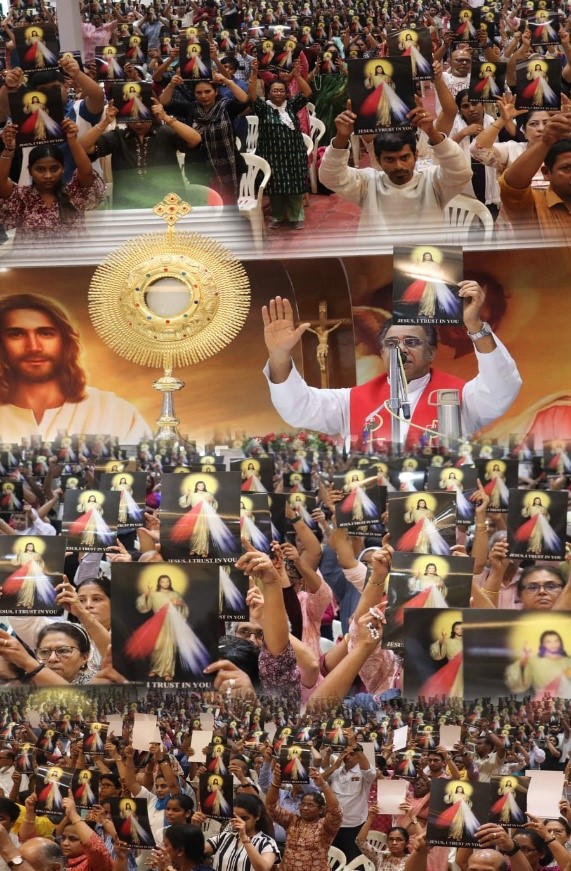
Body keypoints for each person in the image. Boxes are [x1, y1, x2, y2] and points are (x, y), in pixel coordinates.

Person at [262, 293, 521, 451]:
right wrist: (279, 354)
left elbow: (502, 387)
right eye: (392, 344)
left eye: (412, 342)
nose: (401, 350)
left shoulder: (462, 397)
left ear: (432, 352)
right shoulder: (351, 401)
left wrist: (475, 327)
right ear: (382, 353)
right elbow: (298, 408)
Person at [0, 294, 152, 443]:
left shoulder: (113, 412)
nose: (34, 347)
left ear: (66, 342)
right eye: (16, 334)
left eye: (46, 333)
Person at [317, 100, 473, 235]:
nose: (399, 166)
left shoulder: (432, 182)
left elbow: (462, 172)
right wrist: (342, 137)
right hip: (380, 262)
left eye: (404, 158)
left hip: (426, 260)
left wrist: (431, 131)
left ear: (416, 155)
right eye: (390, 160)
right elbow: (330, 177)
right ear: (378, 159)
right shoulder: (368, 183)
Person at [78, 100, 202, 209]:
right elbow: (83, 148)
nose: (138, 124)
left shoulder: (165, 132)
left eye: (143, 118)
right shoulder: (118, 136)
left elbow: (195, 139)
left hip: (169, 207)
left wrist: (166, 117)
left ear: (152, 115)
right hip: (128, 207)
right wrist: (105, 122)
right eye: (133, 118)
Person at [0, 119, 105, 244]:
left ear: (63, 168)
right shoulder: (22, 197)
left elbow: (86, 172)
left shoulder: (73, 193)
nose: (48, 175)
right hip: (32, 261)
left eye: (54, 169)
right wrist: (9, 149)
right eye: (40, 169)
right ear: (30, 171)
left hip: (74, 260)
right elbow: (1, 183)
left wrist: (72, 140)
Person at [159, 71, 249, 203]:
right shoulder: (190, 108)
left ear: (216, 92)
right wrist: (171, 84)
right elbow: (165, 103)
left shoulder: (226, 107)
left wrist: (228, 81)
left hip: (228, 166)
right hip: (198, 168)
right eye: (199, 93)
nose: (203, 96)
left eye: (208, 91)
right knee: (203, 205)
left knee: (229, 205)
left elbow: (244, 100)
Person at [248, 59, 313, 229]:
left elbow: (307, 92)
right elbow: (252, 95)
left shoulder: (291, 105)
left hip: (294, 154)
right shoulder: (263, 108)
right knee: (274, 187)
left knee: (295, 186)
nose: (278, 93)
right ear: (269, 93)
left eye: (281, 90)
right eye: (274, 90)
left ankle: (296, 215)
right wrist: (254, 74)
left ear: (286, 93)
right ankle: (276, 216)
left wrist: (297, 76)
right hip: (271, 155)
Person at [499, 108, 571, 241]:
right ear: (547, 173)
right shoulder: (534, 207)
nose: (541, 129)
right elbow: (512, 185)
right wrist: (546, 141)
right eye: (567, 168)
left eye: (546, 123)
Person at [127, 573, 209, 681]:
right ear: (159, 583)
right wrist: (147, 594)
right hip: (158, 622)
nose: (165, 583)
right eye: (162, 581)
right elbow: (144, 607)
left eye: (167, 581)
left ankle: (168, 672)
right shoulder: (154, 594)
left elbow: (183, 608)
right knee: (157, 646)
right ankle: (155, 669)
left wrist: (180, 604)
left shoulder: (176, 594)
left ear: (170, 582)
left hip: (172, 622)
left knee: (170, 647)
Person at [265, 767, 342, 871]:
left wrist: (323, 785)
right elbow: (270, 806)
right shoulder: (292, 820)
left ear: (321, 809)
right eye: (303, 804)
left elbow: (336, 811)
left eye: (310, 805)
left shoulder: (325, 826)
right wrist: (276, 782)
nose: (305, 808)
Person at [504, 631, 571, 697]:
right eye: (548, 642)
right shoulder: (534, 661)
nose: (553, 644)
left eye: (556, 641)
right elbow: (519, 683)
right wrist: (525, 658)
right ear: (543, 644)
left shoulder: (568, 660)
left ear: (560, 642)